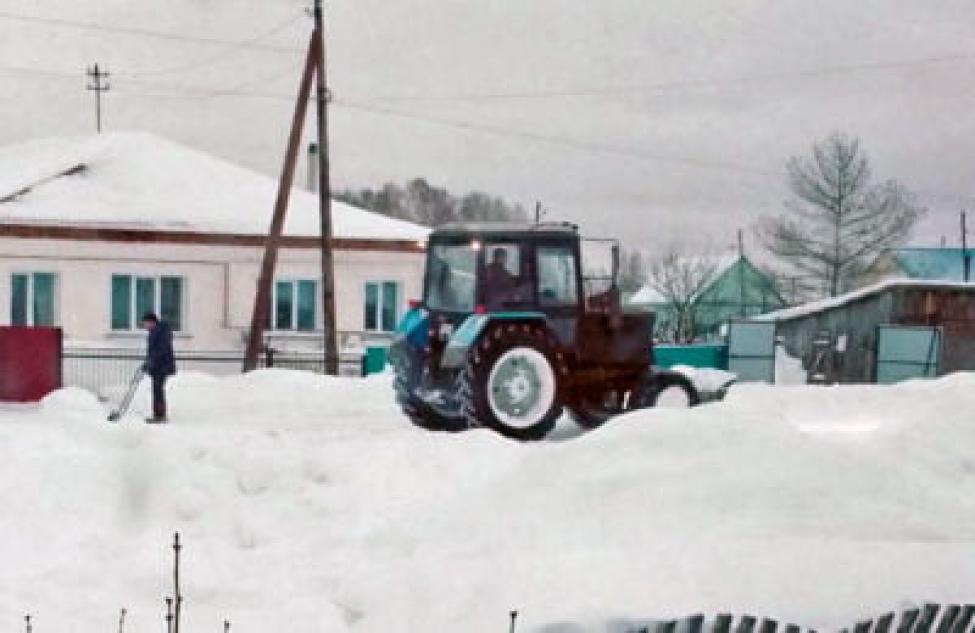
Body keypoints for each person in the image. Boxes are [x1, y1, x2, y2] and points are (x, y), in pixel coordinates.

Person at [142, 312, 176, 423]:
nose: (144, 326)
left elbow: (162, 349)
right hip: (158, 366)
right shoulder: (155, 332)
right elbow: (153, 351)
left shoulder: (160, 332)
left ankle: (160, 416)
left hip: (162, 366)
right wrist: (148, 362)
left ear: (152, 322)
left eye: (145, 323)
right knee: (157, 390)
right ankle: (158, 415)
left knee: (158, 390)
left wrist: (152, 360)